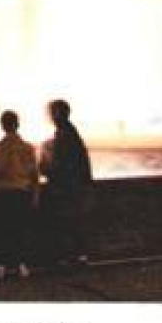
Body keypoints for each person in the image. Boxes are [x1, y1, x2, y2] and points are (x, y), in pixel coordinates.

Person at [0, 110, 39, 280]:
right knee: (20, 231)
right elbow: (34, 176)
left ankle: (1, 266)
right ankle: (21, 265)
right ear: (17, 124)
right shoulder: (28, 148)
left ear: (3, 125)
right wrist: (36, 196)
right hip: (22, 193)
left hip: (3, 194)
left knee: (2, 231)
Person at [37, 99, 92, 268]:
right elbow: (83, 164)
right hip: (75, 187)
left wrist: (43, 167)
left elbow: (58, 165)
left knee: (64, 222)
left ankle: (67, 257)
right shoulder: (71, 133)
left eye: (51, 112)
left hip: (65, 188)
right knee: (74, 221)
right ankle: (79, 255)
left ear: (57, 114)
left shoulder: (63, 135)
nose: (50, 116)